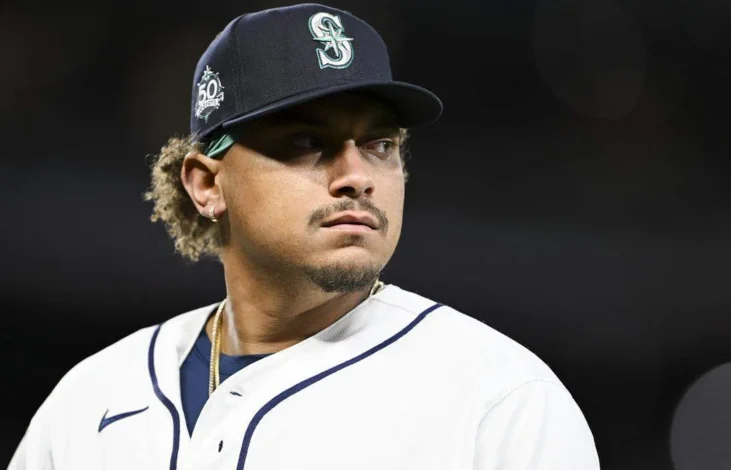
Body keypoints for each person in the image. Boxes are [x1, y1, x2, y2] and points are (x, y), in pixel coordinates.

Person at [9, 4, 599, 469]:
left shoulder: (500, 400)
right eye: (306, 141)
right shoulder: (90, 401)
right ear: (207, 184)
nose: (357, 177)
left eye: (380, 144)